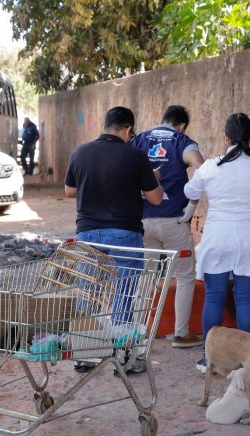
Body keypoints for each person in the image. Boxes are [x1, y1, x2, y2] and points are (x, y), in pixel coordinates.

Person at [64, 106, 163, 372]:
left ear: (104, 125)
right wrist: (154, 178)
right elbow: (155, 197)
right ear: (129, 130)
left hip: (87, 234)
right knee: (125, 292)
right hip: (124, 234)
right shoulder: (135, 156)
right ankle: (124, 356)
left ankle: (85, 353)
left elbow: (69, 190)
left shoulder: (80, 152)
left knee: (90, 292)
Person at [183, 113, 250, 371]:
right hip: (249, 237)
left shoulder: (211, 167)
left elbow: (189, 192)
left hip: (218, 236)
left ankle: (208, 359)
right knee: (245, 297)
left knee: (214, 296)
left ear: (226, 136)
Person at [132, 105, 205, 349]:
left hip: (143, 221)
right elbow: (200, 168)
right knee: (184, 275)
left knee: (146, 276)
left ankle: (139, 333)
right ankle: (181, 334)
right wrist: (192, 205)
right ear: (182, 125)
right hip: (174, 221)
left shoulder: (139, 139)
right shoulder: (183, 141)